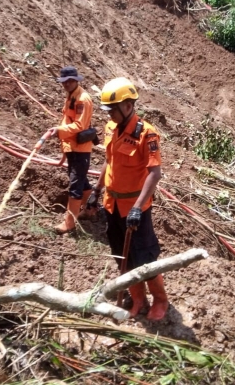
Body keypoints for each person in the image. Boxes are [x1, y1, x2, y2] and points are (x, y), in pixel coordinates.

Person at [86, 77, 168, 321]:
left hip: (135, 208)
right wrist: (96, 191)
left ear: (127, 106)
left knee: (144, 256)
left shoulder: (147, 135)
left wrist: (137, 207)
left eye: (112, 109)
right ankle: (138, 297)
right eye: (108, 110)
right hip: (112, 203)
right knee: (121, 254)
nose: (109, 114)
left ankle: (160, 299)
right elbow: (109, 161)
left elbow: (155, 173)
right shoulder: (111, 128)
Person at [51, 66, 94, 234]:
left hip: (80, 148)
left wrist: (59, 131)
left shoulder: (82, 99)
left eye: (70, 81)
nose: (67, 84)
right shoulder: (71, 96)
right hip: (72, 146)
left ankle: (69, 223)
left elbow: (80, 125)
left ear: (76, 81)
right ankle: (90, 210)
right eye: (64, 82)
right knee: (81, 180)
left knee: (75, 184)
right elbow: (67, 119)